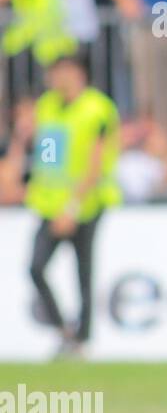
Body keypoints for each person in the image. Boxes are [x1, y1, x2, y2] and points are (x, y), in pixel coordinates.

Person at [25, 52, 120, 356]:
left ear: (79, 74)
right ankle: (64, 329)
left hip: (86, 204)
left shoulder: (97, 108)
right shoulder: (47, 106)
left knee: (83, 270)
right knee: (36, 267)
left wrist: (73, 208)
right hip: (51, 204)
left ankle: (81, 340)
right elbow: (48, 157)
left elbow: (96, 162)